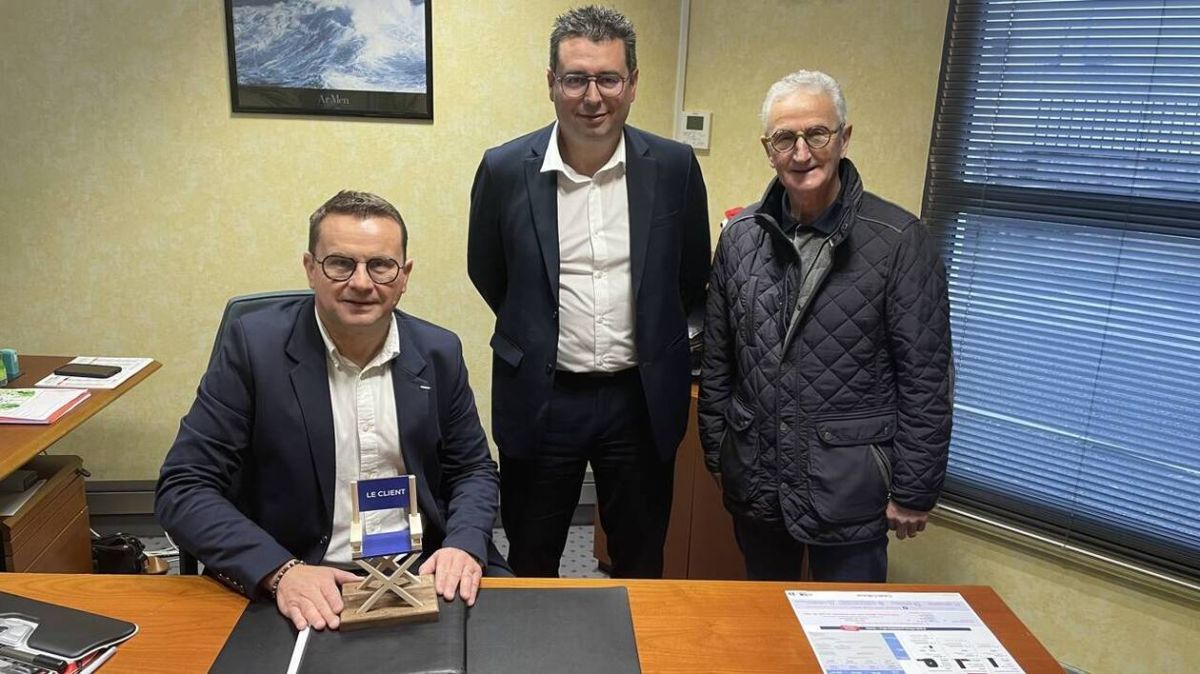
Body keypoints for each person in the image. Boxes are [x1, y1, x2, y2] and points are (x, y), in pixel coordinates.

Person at [156, 190, 507, 630]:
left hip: (424, 571)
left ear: (404, 275)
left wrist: (464, 544)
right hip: (303, 572)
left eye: (381, 265)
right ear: (310, 268)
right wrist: (279, 571)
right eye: (341, 264)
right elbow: (184, 486)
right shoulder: (254, 348)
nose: (361, 283)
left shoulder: (439, 351)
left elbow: (472, 469)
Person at [468, 5, 710, 578]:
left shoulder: (674, 166)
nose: (593, 96)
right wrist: (538, 328)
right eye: (576, 78)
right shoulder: (504, 169)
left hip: (640, 397)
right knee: (531, 556)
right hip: (543, 395)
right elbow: (488, 271)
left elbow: (689, 272)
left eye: (609, 78)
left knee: (641, 559)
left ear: (633, 82)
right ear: (552, 82)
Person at [698, 70, 952, 582]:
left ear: (843, 138)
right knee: (766, 619)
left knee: (849, 627)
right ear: (768, 149)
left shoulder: (899, 240)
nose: (801, 153)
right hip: (758, 480)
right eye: (784, 138)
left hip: (849, 488)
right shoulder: (740, 237)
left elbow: (926, 377)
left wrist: (914, 487)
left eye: (816, 134)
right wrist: (719, 452)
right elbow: (719, 360)